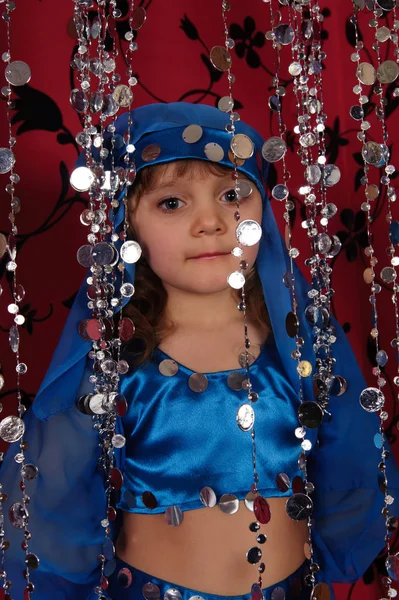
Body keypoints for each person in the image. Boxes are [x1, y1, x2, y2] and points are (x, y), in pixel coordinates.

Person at [1, 102, 398, 600]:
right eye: (172, 203)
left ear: (264, 212)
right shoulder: (112, 359)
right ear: (127, 222)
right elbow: (47, 504)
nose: (210, 222)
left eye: (232, 195)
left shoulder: (302, 345)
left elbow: (353, 468)